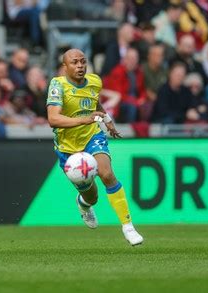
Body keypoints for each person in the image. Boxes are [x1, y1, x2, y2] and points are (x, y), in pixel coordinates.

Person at [46, 48, 143, 246]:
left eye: (83, 61)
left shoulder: (95, 81)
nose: (80, 66)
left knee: (107, 174)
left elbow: (94, 102)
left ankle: (128, 226)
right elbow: (53, 119)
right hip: (67, 148)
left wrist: (107, 120)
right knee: (92, 196)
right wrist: (84, 119)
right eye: (74, 62)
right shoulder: (58, 85)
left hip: (92, 137)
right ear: (65, 67)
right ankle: (83, 203)